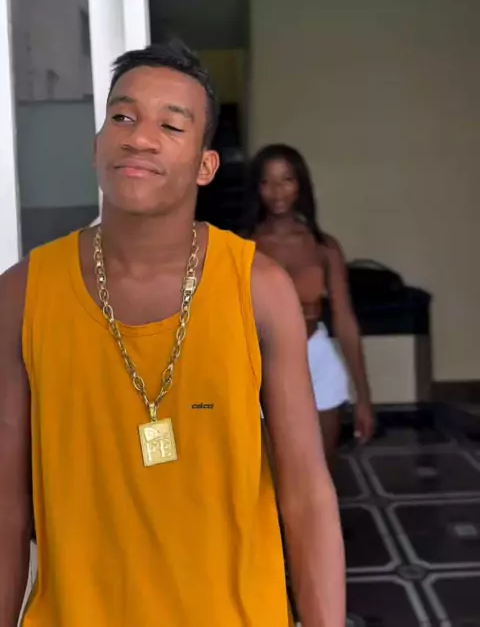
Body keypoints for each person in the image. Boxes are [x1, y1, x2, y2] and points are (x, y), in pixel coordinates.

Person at [0, 42, 345, 627]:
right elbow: (7, 505)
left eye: (171, 125)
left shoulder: (258, 288)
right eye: (123, 117)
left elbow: (307, 494)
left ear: (206, 166)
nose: (140, 137)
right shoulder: (23, 294)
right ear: (97, 145)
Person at [245, 144, 374, 465]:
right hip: (264, 359)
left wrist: (364, 397)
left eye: (286, 180)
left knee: (319, 469)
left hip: (317, 356)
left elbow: (345, 320)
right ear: (257, 188)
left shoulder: (324, 247)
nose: (276, 191)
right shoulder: (241, 246)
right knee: (271, 473)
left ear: (300, 184)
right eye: (266, 181)